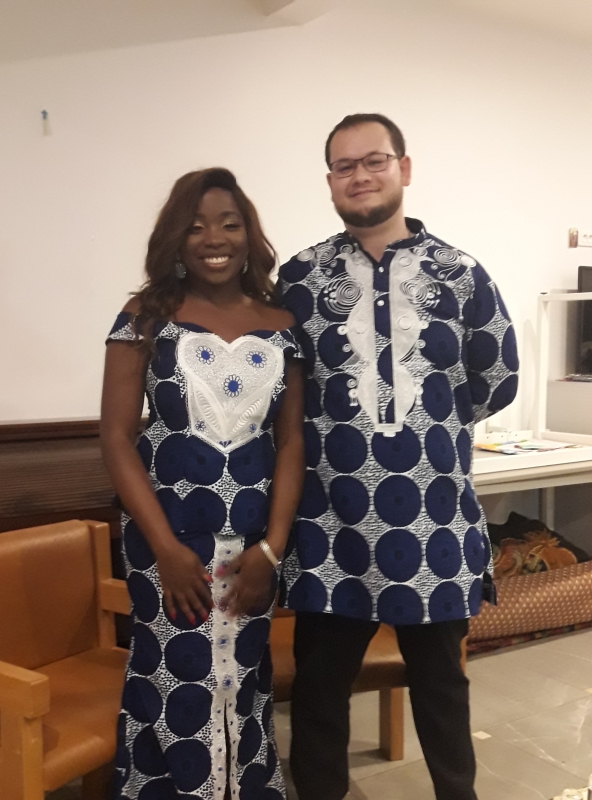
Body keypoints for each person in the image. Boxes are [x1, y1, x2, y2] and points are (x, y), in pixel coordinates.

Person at [277, 113, 519, 800]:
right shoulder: (299, 278)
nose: (360, 176)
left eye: (374, 161)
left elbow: (497, 377)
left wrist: (422, 433)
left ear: (403, 168)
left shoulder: (461, 275)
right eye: (344, 166)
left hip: (435, 524)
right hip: (330, 528)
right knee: (320, 691)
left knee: (442, 688)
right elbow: (282, 392)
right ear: (330, 181)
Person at [101, 167, 305, 800]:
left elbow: (291, 442)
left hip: (252, 548)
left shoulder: (281, 323)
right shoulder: (145, 317)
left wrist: (272, 548)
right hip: (168, 547)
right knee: (175, 680)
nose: (214, 238)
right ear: (175, 239)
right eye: (194, 227)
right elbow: (115, 437)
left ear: (249, 234)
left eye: (229, 224)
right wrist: (164, 548)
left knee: (243, 679)